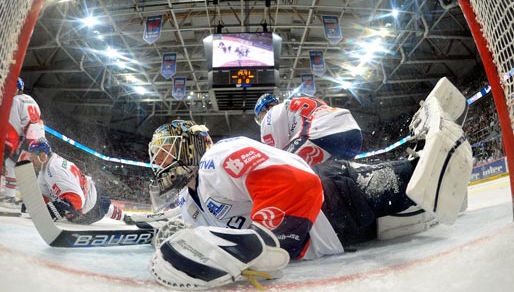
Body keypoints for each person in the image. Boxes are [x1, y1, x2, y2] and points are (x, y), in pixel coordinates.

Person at [145, 78, 473, 290]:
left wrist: (266, 239)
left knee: (418, 178)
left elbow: (297, 181)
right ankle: (427, 194)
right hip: (334, 234)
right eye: (155, 158)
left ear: (192, 146)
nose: (158, 164)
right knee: (423, 201)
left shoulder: (217, 157)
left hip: (335, 199)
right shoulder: (189, 205)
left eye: (163, 153)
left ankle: (431, 141)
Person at [26, 138, 132, 225]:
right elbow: (46, 194)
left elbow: (77, 201)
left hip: (92, 207)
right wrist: (37, 205)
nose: (31, 161)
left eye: (33, 157)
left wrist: (52, 211)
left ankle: (124, 217)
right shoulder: (46, 168)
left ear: (43, 156)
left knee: (74, 215)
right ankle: (125, 217)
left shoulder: (54, 170)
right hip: (95, 194)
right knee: (105, 207)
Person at [254, 93, 362, 166]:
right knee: (337, 174)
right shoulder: (295, 104)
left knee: (282, 167)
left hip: (323, 134)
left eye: (260, 116)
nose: (261, 120)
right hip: (353, 130)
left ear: (267, 108)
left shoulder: (272, 113)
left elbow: (275, 154)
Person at [1, 77, 45, 206]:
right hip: (37, 136)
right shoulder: (31, 99)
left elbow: (14, 122)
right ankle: (27, 198)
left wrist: (13, 141)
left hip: (26, 136)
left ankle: (11, 197)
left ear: (18, 88)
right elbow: (38, 115)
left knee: (11, 163)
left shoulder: (15, 100)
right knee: (22, 166)